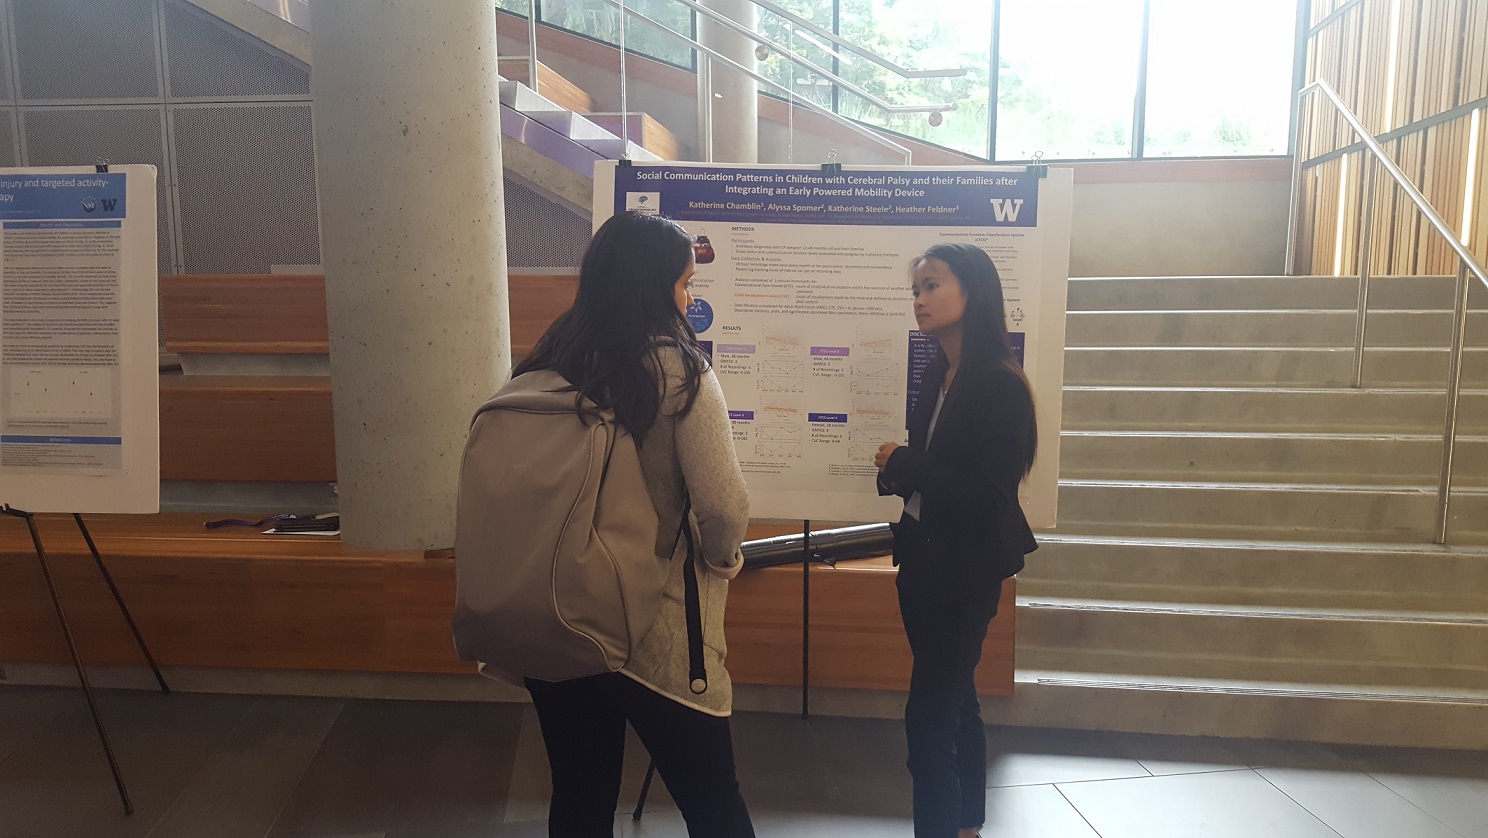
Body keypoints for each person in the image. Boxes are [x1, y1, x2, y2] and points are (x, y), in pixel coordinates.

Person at [514, 211, 756, 837]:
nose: (688, 297)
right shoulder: (680, 373)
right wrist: (725, 559)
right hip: (658, 623)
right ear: (656, 287)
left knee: (579, 797)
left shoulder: (543, 366)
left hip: (561, 620)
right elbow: (723, 508)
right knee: (712, 803)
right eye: (684, 283)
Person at [873, 243, 1039, 838]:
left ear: (974, 292)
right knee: (958, 702)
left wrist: (909, 464)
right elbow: (937, 477)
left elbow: (988, 497)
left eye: (932, 286)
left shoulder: (1001, 386)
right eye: (915, 289)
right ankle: (968, 825)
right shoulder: (937, 374)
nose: (919, 299)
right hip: (921, 564)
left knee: (928, 725)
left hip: (964, 577)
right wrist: (898, 473)